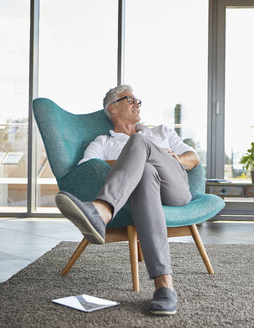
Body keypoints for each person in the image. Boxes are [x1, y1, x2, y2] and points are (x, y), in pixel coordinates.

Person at [55, 84, 200, 316]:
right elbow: (87, 168)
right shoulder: (102, 142)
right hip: (143, 191)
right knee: (143, 172)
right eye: (129, 99)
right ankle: (164, 287)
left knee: (139, 142)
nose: (137, 103)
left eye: (137, 100)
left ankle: (102, 210)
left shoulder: (160, 132)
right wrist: (132, 165)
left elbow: (194, 157)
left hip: (175, 188)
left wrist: (176, 159)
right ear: (112, 109)